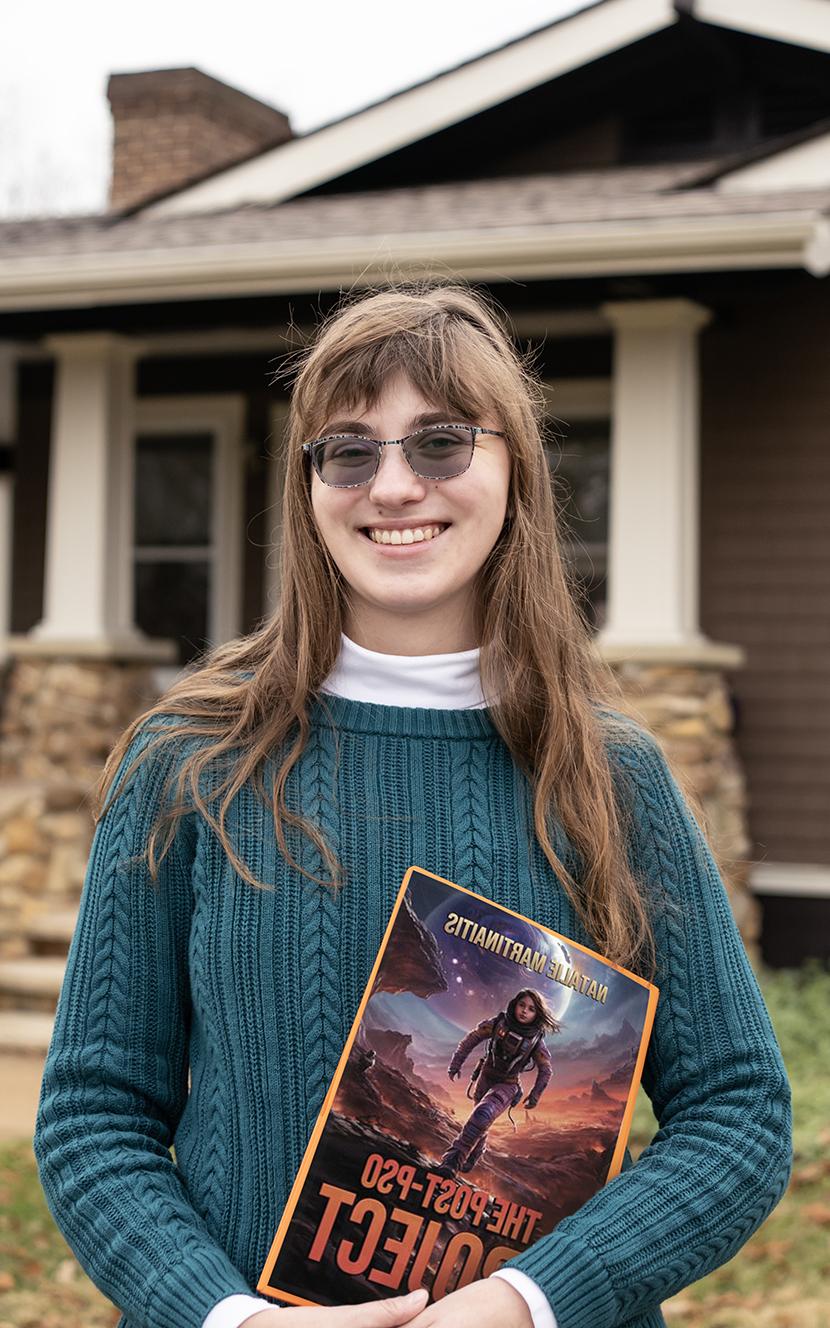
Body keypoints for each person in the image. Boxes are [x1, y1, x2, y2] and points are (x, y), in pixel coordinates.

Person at [34, 279, 792, 1328]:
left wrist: (527, 1301)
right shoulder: (190, 761)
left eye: (439, 442)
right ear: (308, 488)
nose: (392, 483)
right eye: (347, 450)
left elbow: (737, 1116)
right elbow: (93, 1116)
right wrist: (231, 1317)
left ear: (513, 473)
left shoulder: (611, 774)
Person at [437, 988, 558, 1178]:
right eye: (522, 1005)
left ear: (537, 1014)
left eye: (531, 1009)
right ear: (514, 1004)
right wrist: (456, 1062)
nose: (524, 1011)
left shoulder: (536, 1041)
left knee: (483, 1115)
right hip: (485, 1077)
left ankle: (451, 1162)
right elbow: (472, 1038)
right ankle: (474, 1153)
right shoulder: (498, 1023)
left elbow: (546, 1069)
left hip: (508, 1085)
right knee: (480, 1119)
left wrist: (535, 1095)